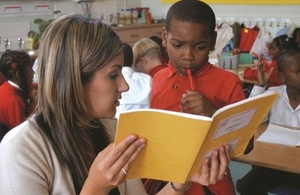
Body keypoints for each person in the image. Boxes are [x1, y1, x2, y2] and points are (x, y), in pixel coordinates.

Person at [0, 14, 231, 194]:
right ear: (74, 80)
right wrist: (95, 189)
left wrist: (183, 178)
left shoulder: (110, 129)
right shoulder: (20, 150)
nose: (125, 86)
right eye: (113, 75)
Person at [147, 0, 246, 195]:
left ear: (212, 41)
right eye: (177, 45)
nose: (188, 55)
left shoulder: (228, 82)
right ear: (165, 37)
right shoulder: (158, 77)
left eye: (199, 47)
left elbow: (247, 144)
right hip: (163, 182)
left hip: (212, 184)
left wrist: (213, 113)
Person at [236, 49, 300, 195]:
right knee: (245, 187)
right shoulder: (273, 95)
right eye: (298, 71)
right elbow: (251, 119)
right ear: (282, 77)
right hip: (274, 162)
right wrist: (259, 86)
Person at [0, 50, 35, 135]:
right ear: (17, 73)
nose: (33, 72)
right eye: (30, 68)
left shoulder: (8, 86)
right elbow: (24, 133)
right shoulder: (12, 100)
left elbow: (33, 86)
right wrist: (34, 104)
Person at [115, 43, 152, 119]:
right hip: (147, 125)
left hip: (118, 127)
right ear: (132, 60)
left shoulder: (111, 81)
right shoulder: (147, 79)